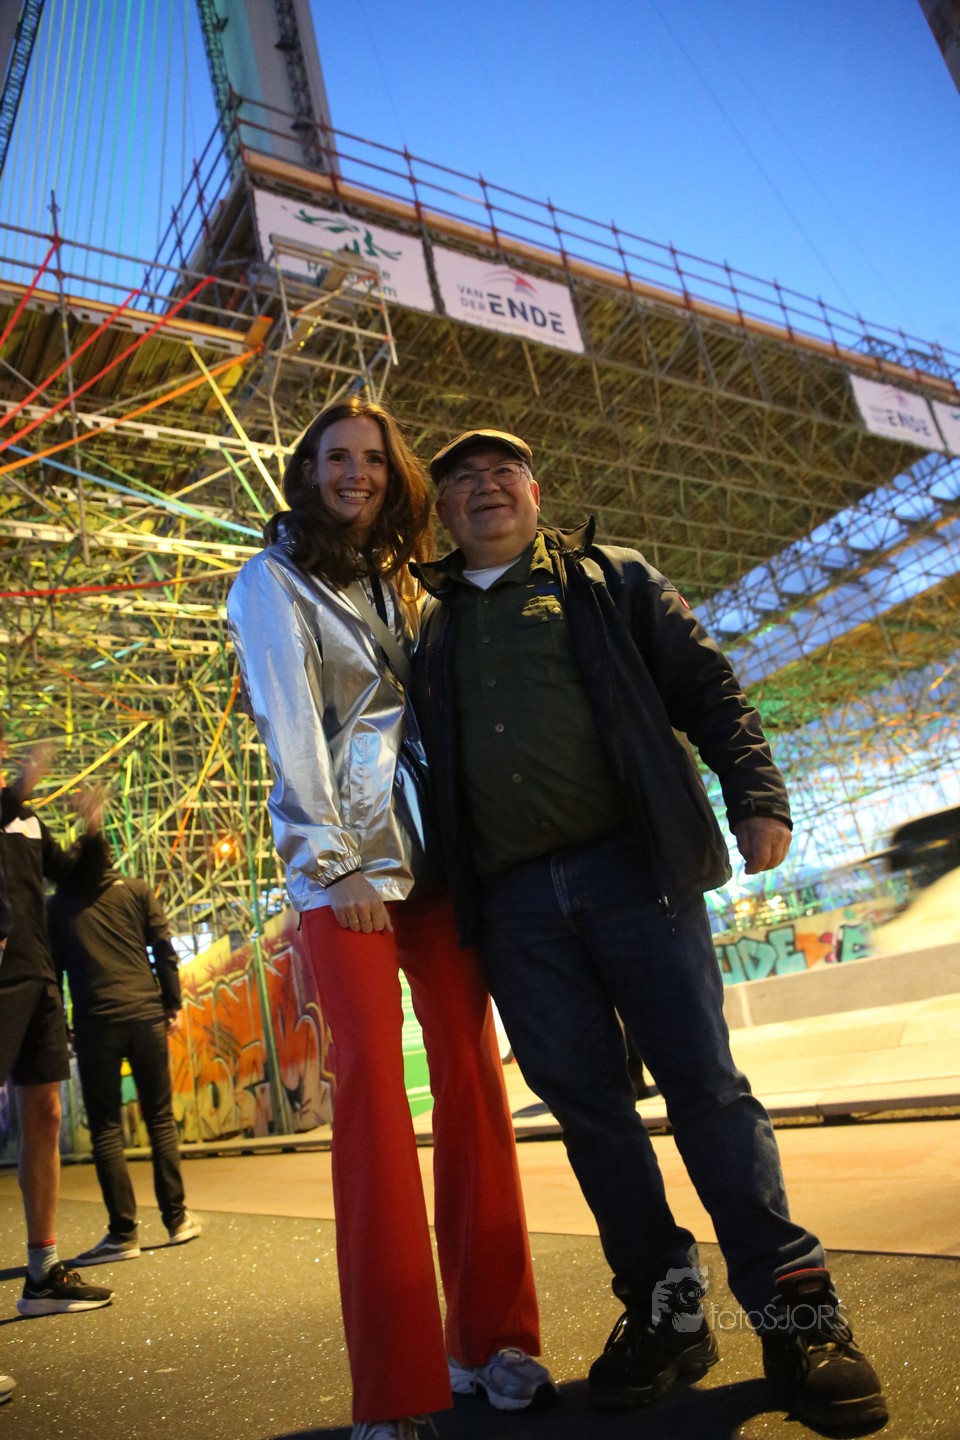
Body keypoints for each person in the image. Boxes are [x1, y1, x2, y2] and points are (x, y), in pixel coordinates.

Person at [412, 428, 888, 1433]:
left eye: (504, 472)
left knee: (706, 1088)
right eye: (463, 480)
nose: (486, 487)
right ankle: (668, 1315)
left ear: (536, 492)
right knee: (590, 1114)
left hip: (634, 872)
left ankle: (796, 1316)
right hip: (514, 908)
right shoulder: (432, 627)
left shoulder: (609, 579)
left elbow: (707, 685)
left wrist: (756, 792)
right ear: (443, 511)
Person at [226, 398, 552, 1440]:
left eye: (373, 457)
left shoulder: (411, 580)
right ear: (308, 470)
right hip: (346, 877)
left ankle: (493, 1340)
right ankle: (396, 1385)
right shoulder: (271, 581)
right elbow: (289, 727)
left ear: (394, 471)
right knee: (372, 1098)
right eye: (337, 457)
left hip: (441, 861)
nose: (356, 473)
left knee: (472, 1078)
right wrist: (334, 863)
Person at [0, 727, 112, 1318]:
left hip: (38, 977)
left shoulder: (25, 820)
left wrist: (92, 829)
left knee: (45, 1112)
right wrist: (19, 789)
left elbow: (70, 878)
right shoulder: (11, 807)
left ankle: (42, 1273)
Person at [47, 842, 202, 1263]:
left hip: (95, 1023)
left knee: (106, 1129)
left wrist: (60, 1025)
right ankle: (177, 1220)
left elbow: (53, 972)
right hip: (145, 1015)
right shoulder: (135, 891)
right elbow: (164, 949)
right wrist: (171, 1002)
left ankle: (122, 1234)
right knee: (160, 1119)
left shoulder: (57, 907)